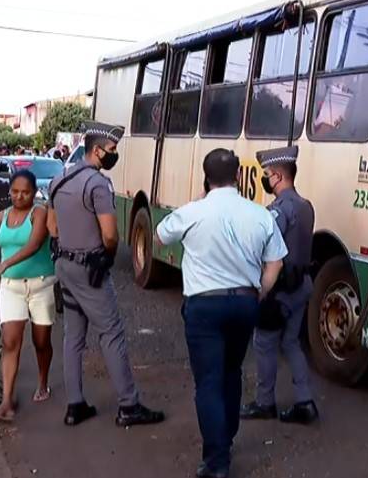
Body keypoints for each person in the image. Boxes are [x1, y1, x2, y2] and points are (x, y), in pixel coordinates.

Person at [156, 148, 287, 478]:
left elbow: (159, 236)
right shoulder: (260, 214)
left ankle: (217, 462)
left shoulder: (193, 211)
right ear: (238, 176)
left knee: (209, 382)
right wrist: (260, 292)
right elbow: (276, 262)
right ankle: (225, 439)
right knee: (232, 371)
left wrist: (197, 201)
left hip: (204, 307)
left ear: (206, 177)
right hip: (245, 304)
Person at [47, 121, 163, 428]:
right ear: (97, 151)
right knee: (111, 333)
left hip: (64, 266)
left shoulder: (59, 179)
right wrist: (106, 254)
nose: (114, 154)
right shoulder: (97, 184)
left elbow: (52, 227)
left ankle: (75, 405)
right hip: (90, 269)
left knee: (73, 336)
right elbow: (110, 235)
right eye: (111, 149)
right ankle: (128, 405)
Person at [241, 145, 318, 425]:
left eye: (267, 175)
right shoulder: (306, 206)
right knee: (291, 342)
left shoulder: (279, 210)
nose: (265, 179)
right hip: (303, 285)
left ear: (277, 176)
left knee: (264, 342)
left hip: (281, 290)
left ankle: (265, 403)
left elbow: (266, 249)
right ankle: (305, 402)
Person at [0, 170, 56, 422]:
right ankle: (6, 403)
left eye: (25, 192)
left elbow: (33, 245)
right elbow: (7, 241)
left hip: (41, 285)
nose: (19, 196)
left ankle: (43, 382)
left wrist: (3, 265)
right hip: (11, 287)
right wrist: (5, 269)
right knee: (10, 342)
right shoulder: (2, 216)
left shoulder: (39, 213)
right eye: (15, 191)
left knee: (41, 341)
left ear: (34, 193)